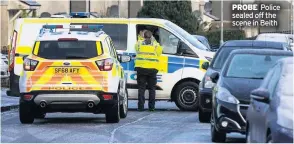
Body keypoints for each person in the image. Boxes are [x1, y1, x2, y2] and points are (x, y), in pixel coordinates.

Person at [135, 30, 162, 111]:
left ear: (144, 36)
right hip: (152, 70)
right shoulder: (155, 45)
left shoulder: (139, 43)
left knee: (141, 88)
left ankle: (140, 107)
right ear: (151, 36)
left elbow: (136, 48)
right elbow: (159, 53)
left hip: (141, 69)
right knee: (152, 89)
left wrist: (140, 37)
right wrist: (154, 40)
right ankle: (151, 107)